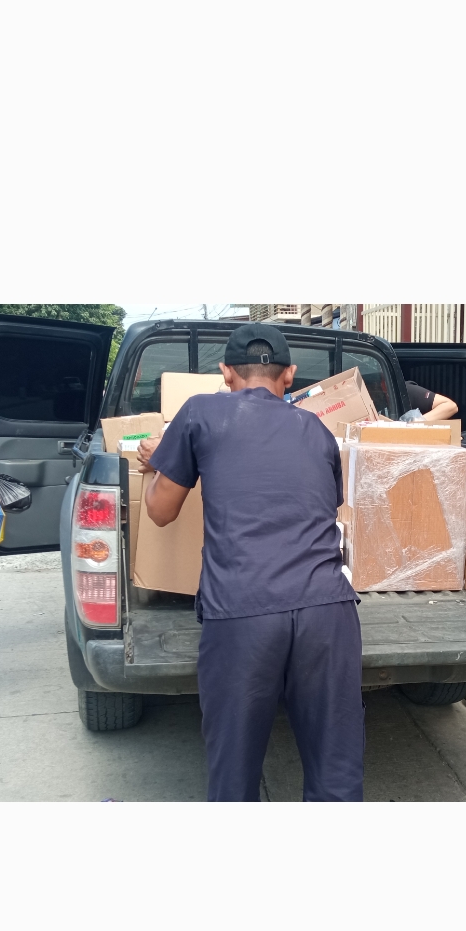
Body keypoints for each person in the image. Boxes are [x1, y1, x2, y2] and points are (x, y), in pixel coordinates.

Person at [138, 320, 364, 801]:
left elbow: (159, 511)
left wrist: (160, 461)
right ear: (290, 375)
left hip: (243, 610)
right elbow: (327, 506)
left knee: (235, 772)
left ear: (225, 372)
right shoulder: (317, 430)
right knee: (337, 768)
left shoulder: (200, 412)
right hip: (328, 612)